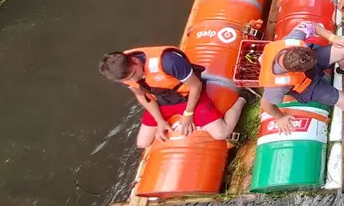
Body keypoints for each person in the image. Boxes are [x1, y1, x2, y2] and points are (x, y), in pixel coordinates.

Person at [99, 47, 248, 148]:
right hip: (163, 100)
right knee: (142, 143)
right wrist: (160, 121)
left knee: (221, 133)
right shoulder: (124, 75)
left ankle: (243, 98)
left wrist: (188, 114)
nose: (134, 79)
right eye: (129, 79)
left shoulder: (169, 62)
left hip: (188, 95)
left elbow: (196, 86)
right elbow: (142, 96)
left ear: (135, 61)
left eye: (134, 74)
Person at [259, 22, 344, 135]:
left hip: (307, 61)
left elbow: (311, 25)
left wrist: (333, 37)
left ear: (295, 49)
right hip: (306, 86)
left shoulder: (292, 41)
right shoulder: (276, 85)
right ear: (297, 71)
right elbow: (266, 104)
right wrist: (279, 118)